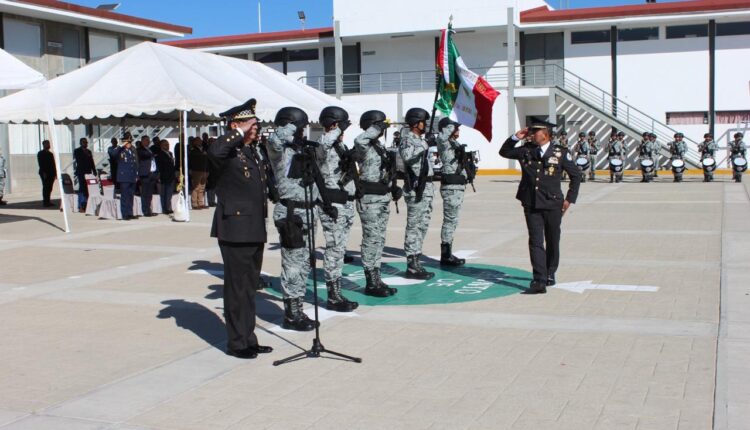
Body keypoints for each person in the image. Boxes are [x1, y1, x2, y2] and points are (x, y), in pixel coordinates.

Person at [208, 99, 272, 359]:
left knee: (248, 288)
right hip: (235, 229)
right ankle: (237, 343)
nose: (255, 129)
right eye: (250, 124)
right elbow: (215, 152)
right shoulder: (226, 150)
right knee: (236, 289)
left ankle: (249, 337)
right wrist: (238, 131)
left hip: (253, 228)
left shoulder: (250, 152)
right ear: (235, 125)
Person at [266, 107, 336, 331]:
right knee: (293, 264)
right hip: (291, 213)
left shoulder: (301, 150)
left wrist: (325, 204)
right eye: (301, 127)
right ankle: (291, 314)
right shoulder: (279, 151)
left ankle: (297, 308)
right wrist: (292, 125)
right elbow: (275, 140)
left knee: (304, 263)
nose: (303, 132)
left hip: (308, 211)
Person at [499, 119, 581, 294]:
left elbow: (576, 175)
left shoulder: (559, 152)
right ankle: (539, 279)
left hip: (553, 203)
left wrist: (569, 199)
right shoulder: (526, 150)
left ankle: (550, 272)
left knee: (552, 239)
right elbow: (504, 152)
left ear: (545, 134)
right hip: (531, 202)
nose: (531, 134)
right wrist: (515, 137)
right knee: (535, 241)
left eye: (534, 131)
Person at [315, 106, 359, 312]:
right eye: (341, 126)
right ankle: (333, 295)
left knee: (340, 248)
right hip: (332, 204)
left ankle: (337, 290)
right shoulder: (323, 145)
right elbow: (323, 144)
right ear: (333, 124)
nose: (343, 131)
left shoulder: (340, 147)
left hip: (346, 202)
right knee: (334, 249)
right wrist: (335, 130)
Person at [354, 110, 399, 297]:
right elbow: (359, 141)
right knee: (371, 240)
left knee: (379, 240)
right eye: (380, 125)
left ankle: (376, 277)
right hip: (369, 199)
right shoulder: (364, 145)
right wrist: (375, 128)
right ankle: (370, 282)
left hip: (381, 197)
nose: (382, 129)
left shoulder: (379, 146)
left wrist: (392, 187)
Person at [399, 107, 435, 280]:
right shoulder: (408, 139)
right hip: (415, 187)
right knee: (414, 226)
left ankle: (417, 259)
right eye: (423, 121)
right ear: (415, 123)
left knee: (423, 224)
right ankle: (411, 264)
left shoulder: (419, 140)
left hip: (426, 187)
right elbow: (406, 156)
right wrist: (423, 143)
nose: (425, 124)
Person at [436, 117, 468, 266]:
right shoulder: (444, 143)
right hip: (451, 187)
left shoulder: (454, 143)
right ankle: (446, 254)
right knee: (450, 220)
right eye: (455, 128)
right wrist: (449, 126)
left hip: (458, 186)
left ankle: (448, 252)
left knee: (453, 220)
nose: (458, 130)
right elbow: (441, 137)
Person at [115, 136, 138, 220]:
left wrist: (136, 175)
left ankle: (130, 213)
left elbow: (134, 164)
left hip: (131, 177)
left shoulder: (131, 151)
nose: (129, 144)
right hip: (124, 177)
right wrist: (121, 146)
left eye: (130, 142)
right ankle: (124, 214)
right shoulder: (120, 151)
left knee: (131, 196)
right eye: (127, 142)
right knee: (124, 196)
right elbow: (113, 154)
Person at [137, 136, 158, 216]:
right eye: (146, 140)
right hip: (145, 174)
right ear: (142, 141)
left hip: (152, 173)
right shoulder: (140, 150)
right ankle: (145, 210)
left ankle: (149, 209)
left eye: (148, 140)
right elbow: (144, 155)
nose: (148, 142)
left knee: (149, 194)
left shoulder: (150, 150)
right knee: (145, 193)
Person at [73, 137, 95, 211]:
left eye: (86, 142)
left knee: (87, 188)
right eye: (84, 142)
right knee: (82, 189)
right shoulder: (77, 151)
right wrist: (85, 155)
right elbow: (79, 160)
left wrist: (94, 170)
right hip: (81, 172)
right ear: (80, 143)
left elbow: (91, 161)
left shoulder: (89, 151)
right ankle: (81, 205)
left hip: (88, 172)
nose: (85, 144)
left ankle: (86, 204)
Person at [188, 136, 209, 209]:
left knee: (202, 188)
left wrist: (207, 170)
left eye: (200, 140)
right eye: (198, 140)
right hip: (196, 170)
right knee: (196, 187)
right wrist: (190, 169)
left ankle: (201, 202)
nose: (200, 142)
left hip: (204, 170)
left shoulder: (204, 149)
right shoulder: (193, 150)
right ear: (194, 142)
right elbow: (190, 161)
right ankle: (194, 203)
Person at [156, 140, 176, 214]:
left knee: (169, 193)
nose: (167, 146)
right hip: (163, 176)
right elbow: (159, 167)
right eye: (165, 145)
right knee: (164, 194)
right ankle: (165, 208)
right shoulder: (159, 155)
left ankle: (168, 207)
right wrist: (159, 177)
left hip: (171, 176)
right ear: (161, 146)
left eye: (168, 144)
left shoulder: (170, 153)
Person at [36, 140, 57, 207]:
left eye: (48, 144)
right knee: (46, 187)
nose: (48, 145)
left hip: (51, 173)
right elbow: (41, 163)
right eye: (47, 144)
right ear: (44, 145)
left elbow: (53, 164)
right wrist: (44, 172)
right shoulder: (40, 153)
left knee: (50, 187)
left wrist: (55, 173)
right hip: (44, 173)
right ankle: (45, 201)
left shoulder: (50, 154)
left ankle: (48, 200)